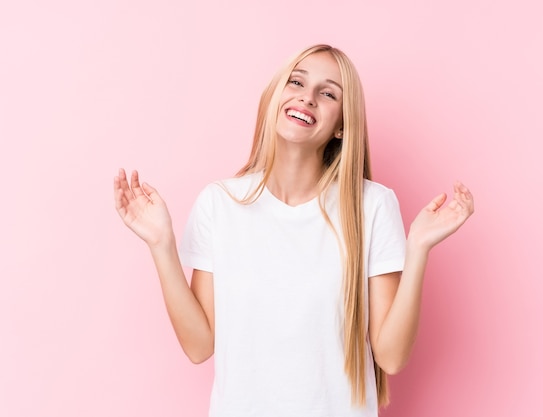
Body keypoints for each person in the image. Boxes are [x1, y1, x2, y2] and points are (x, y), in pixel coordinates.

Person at [113, 44, 474, 416]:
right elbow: (199, 346)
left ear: (342, 126)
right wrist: (161, 245)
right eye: (297, 82)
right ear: (276, 97)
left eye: (328, 92)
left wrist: (417, 249)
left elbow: (392, 358)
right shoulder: (220, 203)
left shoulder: (372, 206)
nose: (308, 97)